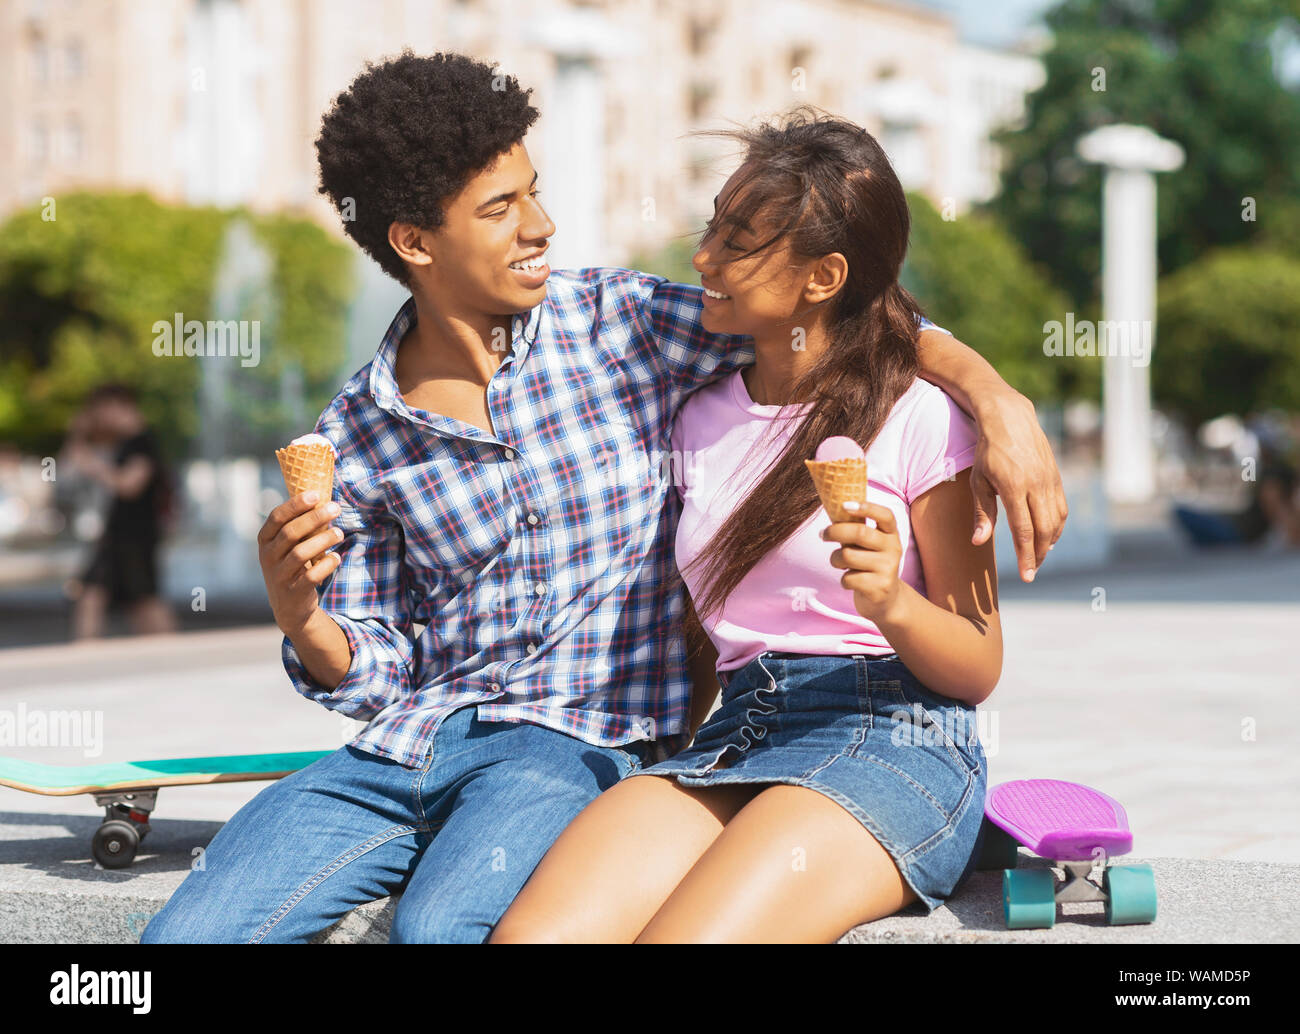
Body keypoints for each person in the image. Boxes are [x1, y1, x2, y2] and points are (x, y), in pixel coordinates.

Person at [142, 52, 1061, 944]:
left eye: (534, 190)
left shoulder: (622, 328)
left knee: (457, 929)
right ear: (415, 242)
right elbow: (377, 664)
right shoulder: (359, 430)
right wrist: (302, 615)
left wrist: (996, 398)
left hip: (658, 741)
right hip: (477, 740)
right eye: (503, 207)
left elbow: (852, 321)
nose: (542, 224)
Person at [491, 112, 996, 943]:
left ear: (823, 276)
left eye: (738, 241)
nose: (703, 259)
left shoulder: (924, 420)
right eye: (712, 228)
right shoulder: (697, 417)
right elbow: (702, 634)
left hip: (893, 736)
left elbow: (979, 664)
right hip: (739, 733)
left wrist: (892, 604)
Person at [65, 383, 177, 639]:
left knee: (143, 601)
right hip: (119, 536)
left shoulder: (142, 442)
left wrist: (93, 466)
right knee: (97, 592)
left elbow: (130, 484)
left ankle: (173, 654)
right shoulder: (127, 443)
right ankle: (85, 652)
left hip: (135, 537)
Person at [1172, 446, 1300, 549]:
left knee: (1179, 511)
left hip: (1237, 531)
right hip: (1235, 526)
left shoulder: (1274, 479)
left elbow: (1276, 507)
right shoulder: (1280, 482)